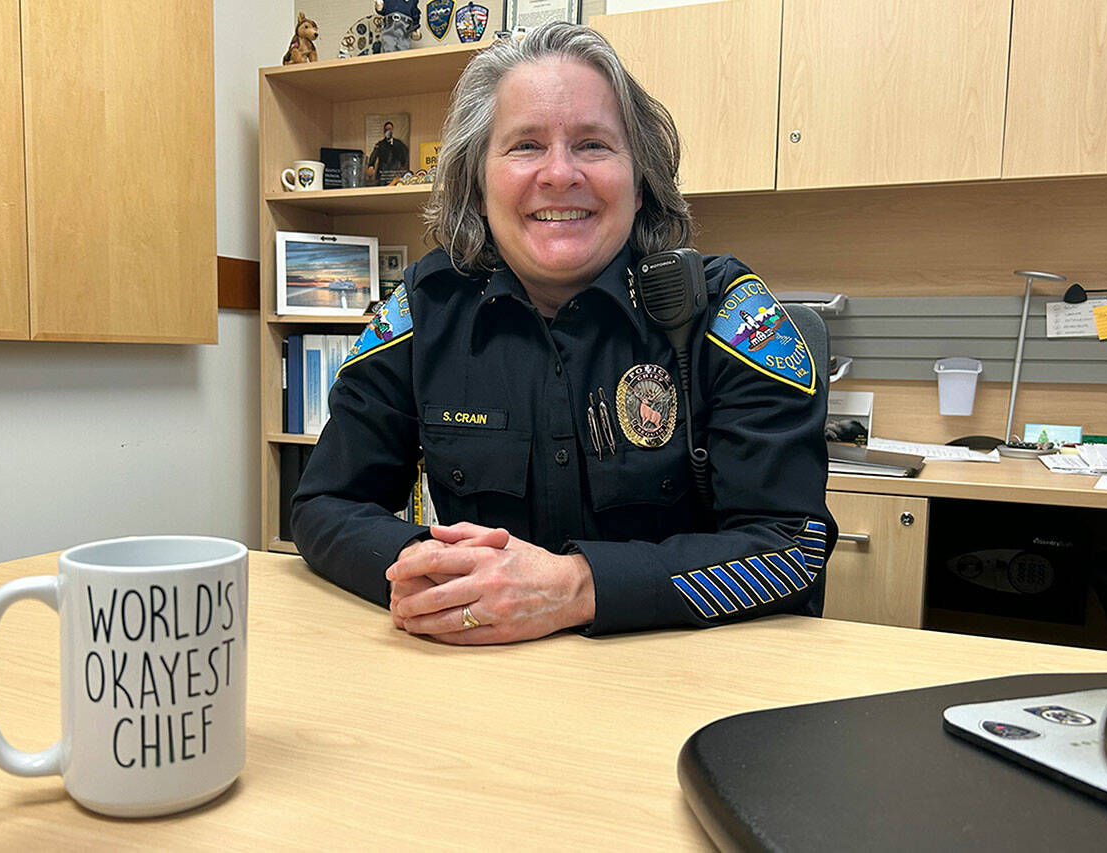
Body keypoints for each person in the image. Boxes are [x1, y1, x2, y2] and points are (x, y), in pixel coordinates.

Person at [292, 22, 836, 644]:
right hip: (479, 675)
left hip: (681, 678)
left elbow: (791, 547)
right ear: (478, 180)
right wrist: (438, 572)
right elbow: (324, 506)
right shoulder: (424, 308)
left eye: (593, 145)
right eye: (525, 145)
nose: (559, 174)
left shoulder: (729, 313)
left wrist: (576, 587)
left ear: (640, 184)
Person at [365, 121, 410, 185]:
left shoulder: (399, 144)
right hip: (382, 175)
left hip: (395, 174)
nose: (388, 131)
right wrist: (371, 166)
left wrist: (403, 167)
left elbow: (405, 155)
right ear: (384, 131)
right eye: (386, 129)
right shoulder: (380, 144)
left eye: (390, 129)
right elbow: (374, 155)